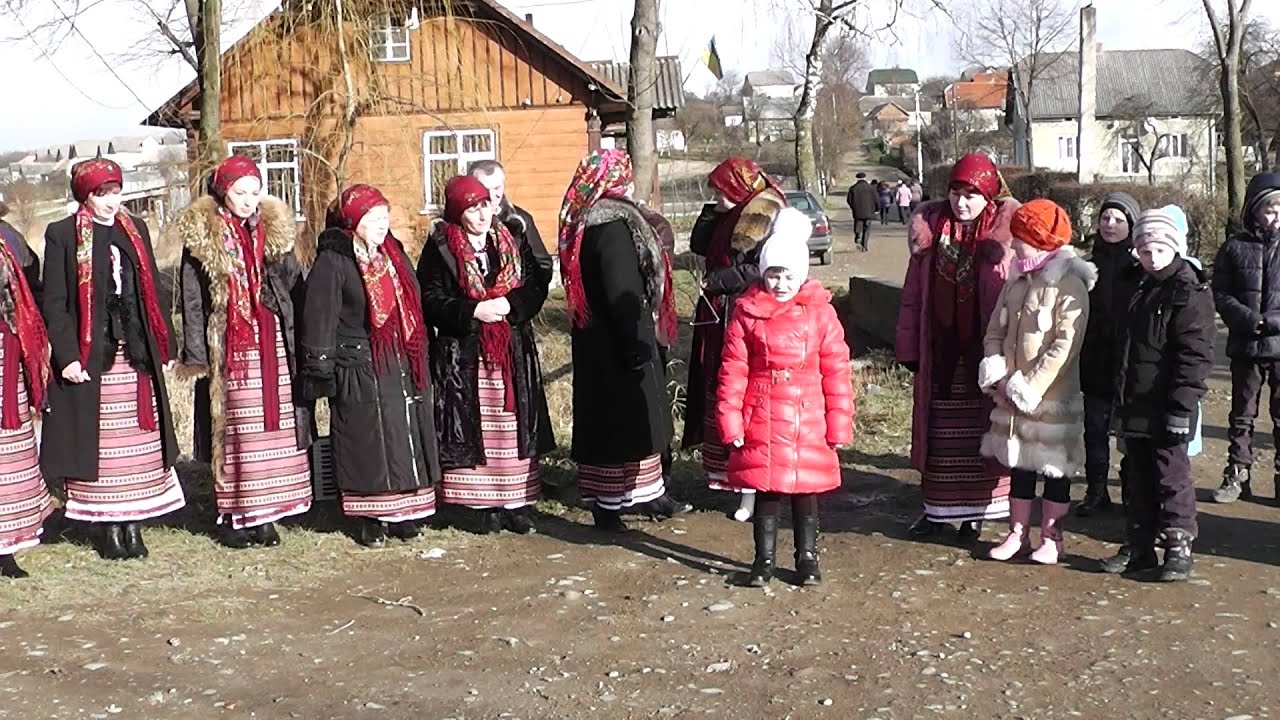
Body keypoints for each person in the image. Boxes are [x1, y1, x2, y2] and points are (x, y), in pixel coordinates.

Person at [41, 159, 186, 560]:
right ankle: (108, 529)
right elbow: (55, 302)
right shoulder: (63, 235)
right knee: (104, 444)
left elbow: (153, 290)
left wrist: (165, 344)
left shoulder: (134, 229)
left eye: (115, 192)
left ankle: (133, 525)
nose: (110, 201)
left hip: (136, 354)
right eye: (101, 194)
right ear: (84, 196)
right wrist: (67, 356)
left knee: (138, 440)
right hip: (93, 357)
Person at [172, 155, 312, 549]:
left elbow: (292, 285)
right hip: (229, 342)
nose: (249, 200)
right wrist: (196, 354)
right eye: (240, 192)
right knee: (236, 430)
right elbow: (193, 299)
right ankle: (234, 514)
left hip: (271, 339)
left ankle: (266, 514)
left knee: (274, 426)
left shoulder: (274, 232)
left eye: (255, 192)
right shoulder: (204, 237)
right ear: (223, 192)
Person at [716, 207, 853, 586]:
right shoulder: (747, 313)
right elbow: (733, 370)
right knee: (766, 489)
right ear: (762, 272)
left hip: (810, 416)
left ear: (802, 274)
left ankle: (807, 559)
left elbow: (837, 371)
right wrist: (730, 420)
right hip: (762, 411)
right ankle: (763, 560)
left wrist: (839, 424)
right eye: (773, 274)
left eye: (789, 275)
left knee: (806, 491)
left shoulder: (821, 314)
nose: (780, 283)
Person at [558, 149, 691, 532]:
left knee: (609, 424)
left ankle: (632, 498)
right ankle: (614, 505)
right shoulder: (613, 226)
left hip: (595, 340)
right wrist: (638, 343)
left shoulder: (583, 220)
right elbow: (622, 290)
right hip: (619, 343)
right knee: (626, 425)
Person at [301, 185, 441, 547]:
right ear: (353, 220)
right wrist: (320, 368)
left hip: (400, 358)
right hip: (359, 362)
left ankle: (404, 513)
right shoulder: (335, 260)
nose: (382, 224)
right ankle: (369, 518)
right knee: (368, 442)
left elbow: (414, 302)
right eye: (374, 217)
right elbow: (319, 316)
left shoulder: (393, 253)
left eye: (385, 216)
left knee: (403, 434)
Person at [420, 176, 555, 534]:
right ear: (457, 212)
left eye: (485, 206)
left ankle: (516, 503)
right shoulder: (440, 247)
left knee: (512, 426)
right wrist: (471, 311)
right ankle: (483, 506)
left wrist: (512, 305)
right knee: (477, 425)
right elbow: (430, 298)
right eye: (472, 209)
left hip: (512, 347)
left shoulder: (512, 237)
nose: (482, 215)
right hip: (465, 354)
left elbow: (536, 284)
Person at [895, 152, 1020, 540]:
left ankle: (976, 514)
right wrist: (909, 348)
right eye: (956, 193)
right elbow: (912, 296)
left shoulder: (1005, 236)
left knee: (981, 433)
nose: (961, 203)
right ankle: (936, 511)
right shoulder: (931, 231)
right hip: (939, 353)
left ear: (988, 195)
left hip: (986, 353)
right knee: (939, 437)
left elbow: (1018, 296)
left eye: (971, 195)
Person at [977, 199, 1094, 564]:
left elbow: (1065, 346)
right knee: (1020, 465)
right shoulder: (1017, 280)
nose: (1013, 245)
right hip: (1011, 396)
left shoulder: (1069, 285)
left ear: (1040, 240)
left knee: (1055, 469)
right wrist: (997, 372)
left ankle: (1052, 537)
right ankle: (1017, 533)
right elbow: (995, 330)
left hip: (1051, 396)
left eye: (1020, 239)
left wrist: (1029, 386)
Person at [1102, 206, 1214, 582]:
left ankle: (1179, 546)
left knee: (1172, 476)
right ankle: (1139, 545)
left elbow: (1194, 355)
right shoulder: (1133, 285)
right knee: (1136, 475)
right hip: (1132, 398)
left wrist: (1182, 405)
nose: (1152, 258)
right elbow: (1121, 344)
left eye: (1160, 251)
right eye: (1145, 251)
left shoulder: (1188, 290)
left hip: (1169, 403)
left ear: (1176, 248)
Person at [686, 157, 786, 522]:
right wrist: (711, 212)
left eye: (722, 190)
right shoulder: (727, 214)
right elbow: (699, 245)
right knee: (718, 386)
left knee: (739, 390)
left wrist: (720, 281)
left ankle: (750, 480)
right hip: (718, 312)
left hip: (743, 310)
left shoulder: (764, 215)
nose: (717, 196)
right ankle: (725, 473)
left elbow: (764, 267)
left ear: (740, 188)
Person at [1211, 172, 1280, 504]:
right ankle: (1237, 472)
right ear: (1254, 209)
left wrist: (1272, 321)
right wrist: (1251, 320)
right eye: (1270, 209)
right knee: (1242, 414)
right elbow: (1221, 293)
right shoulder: (1234, 247)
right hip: (1246, 343)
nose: (1276, 217)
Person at [1077, 192, 1141, 516]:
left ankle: (1132, 492)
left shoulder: (1140, 266)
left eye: (1118, 219)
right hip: (1095, 360)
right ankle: (1096, 490)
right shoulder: (1087, 266)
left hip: (1131, 362)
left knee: (1131, 432)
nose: (1110, 224)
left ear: (1131, 224)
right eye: (1105, 218)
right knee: (1095, 429)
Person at [0, 214, 52, 578]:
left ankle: (5, 546)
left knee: (9, 454)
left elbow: (34, 288)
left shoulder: (8, 238)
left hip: (6, 355)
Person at [468, 160, 553, 274]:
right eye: (485, 190)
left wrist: (524, 285)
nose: (492, 196)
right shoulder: (460, 221)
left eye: (497, 188)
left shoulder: (519, 220)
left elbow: (543, 266)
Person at [846, 172, 878, 252]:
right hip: (869, 213)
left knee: (858, 227)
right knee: (867, 229)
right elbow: (877, 200)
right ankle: (865, 245)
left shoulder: (853, 188)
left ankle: (858, 236)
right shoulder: (871, 188)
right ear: (865, 178)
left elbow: (849, 200)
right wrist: (876, 209)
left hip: (858, 213)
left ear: (857, 179)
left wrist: (854, 207)